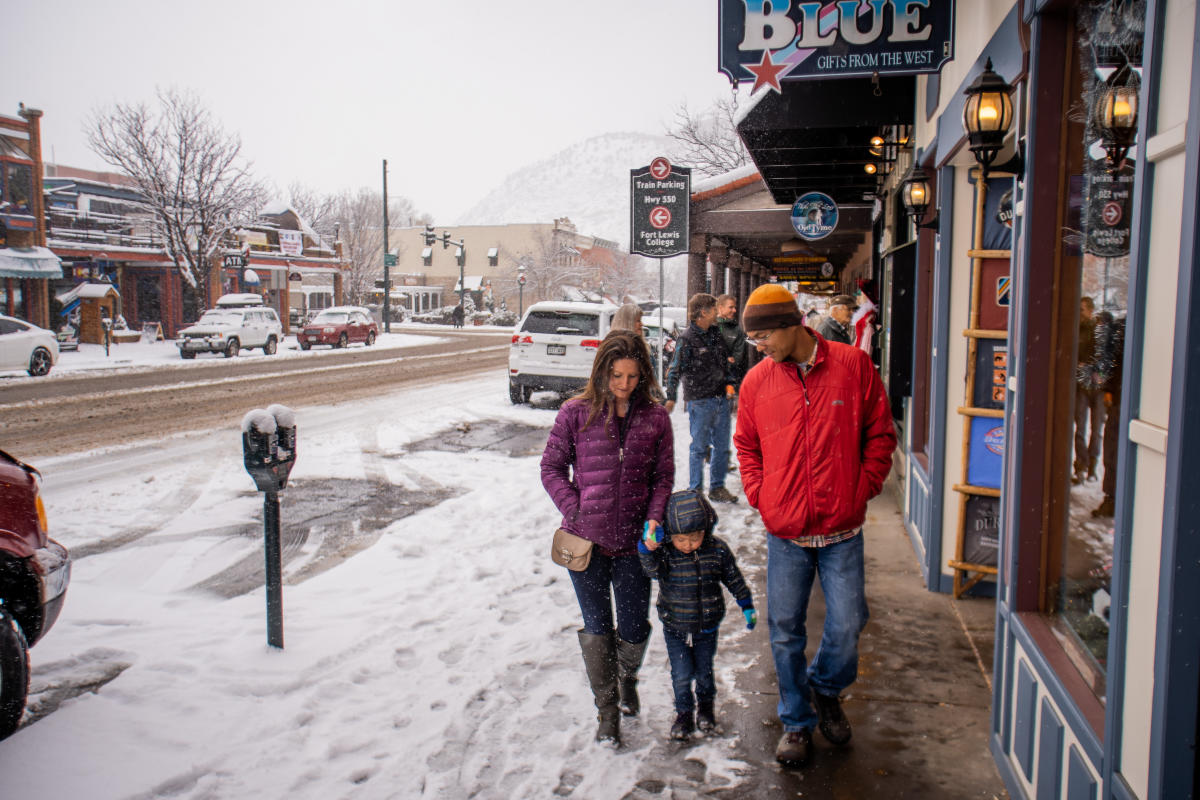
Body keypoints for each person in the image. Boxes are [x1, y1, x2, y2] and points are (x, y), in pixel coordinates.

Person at [732, 283, 897, 768]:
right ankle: (797, 722)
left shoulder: (852, 366)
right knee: (784, 630)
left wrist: (861, 485)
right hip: (786, 533)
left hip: (841, 531)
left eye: (763, 336)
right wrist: (763, 497)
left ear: (791, 325)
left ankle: (825, 687)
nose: (758, 347)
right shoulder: (757, 382)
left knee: (848, 624)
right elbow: (746, 447)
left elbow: (880, 432)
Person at [540, 330, 674, 746]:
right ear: (602, 372)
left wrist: (654, 519)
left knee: (633, 627)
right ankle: (607, 710)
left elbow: (663, 478)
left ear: (644, 376)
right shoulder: (575, 413)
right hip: (588, 545)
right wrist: (575, 509)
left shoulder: (655, 417)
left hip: (635, 545)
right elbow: (551, 468)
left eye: (633, 377)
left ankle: (626, 678)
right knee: (598, 629)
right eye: (616, 375)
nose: (623, 384)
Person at [638, 489, 756, 740]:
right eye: (681, 539)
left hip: (706, 626)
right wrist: (647, 548)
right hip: (676, 627)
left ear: (706, 529)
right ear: (671, 535)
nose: (688, 545)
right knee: (681, 675)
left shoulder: (717, 551)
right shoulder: (667, 553)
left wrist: (746, 603)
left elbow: (733, 577)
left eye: (694, 537)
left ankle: (705, 710)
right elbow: (650, 570)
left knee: (704, 672)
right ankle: (683, 715)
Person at [664, 293, 738, 504]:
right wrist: (671, 396)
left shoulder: (716, 334)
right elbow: (675, 368)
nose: (717, 313)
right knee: (699, 448)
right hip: (700, 401)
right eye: (714, 309)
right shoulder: (687, 338)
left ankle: (717, 487)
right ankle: (695, 491)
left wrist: (730, 382)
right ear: (703, 312)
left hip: (721, 399)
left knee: (722, 447)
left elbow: (725, 363)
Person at [1092, 312, 1125, 517]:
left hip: (1120, 402)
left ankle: (1111, 498)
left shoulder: (1118, 333)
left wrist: (1107, 388)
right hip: (1124, 400)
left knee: (1112, 450)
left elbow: (1104, 370)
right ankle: (1114, 497)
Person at [1074, 296, 1105, 484]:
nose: (1080, 314)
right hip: (1081, 386)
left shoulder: (1099, 331)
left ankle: (1092, 466)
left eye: (1083, 310)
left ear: (1091, 311)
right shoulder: (1076, 331)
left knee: (1096, 429)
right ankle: (1081, 465)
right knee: (1080, 428)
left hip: (1098, 388)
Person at [714, 294, 749, 386]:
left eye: (734, 307)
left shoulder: (737, 330)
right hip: (708, 382)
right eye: (731, 307)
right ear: (720, 308)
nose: (734, 310)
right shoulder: (709, 326)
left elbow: (738, 358)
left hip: (729, 382)